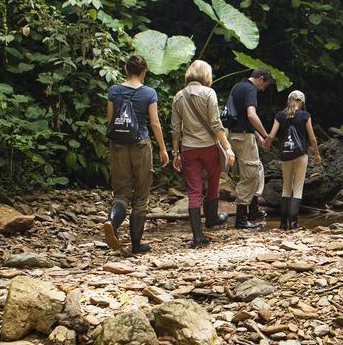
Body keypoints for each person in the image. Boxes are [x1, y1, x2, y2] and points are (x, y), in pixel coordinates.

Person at [103, 54, 168, 255]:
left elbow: (110, 120)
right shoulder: (149, 93)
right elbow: (155, 123)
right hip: (140, 144)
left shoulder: (114, 90)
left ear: (126, 70)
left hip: (119, 145)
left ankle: (112, 223)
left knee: (121, 192)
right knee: (141, 195)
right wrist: (163, 149)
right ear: (144, 72)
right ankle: (137, 244)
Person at [171, 60, 236, 248]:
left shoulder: (178, 96)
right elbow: (216, 124)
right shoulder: (209, 93)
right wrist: (227, 147)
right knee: (214, 182)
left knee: (194, 191)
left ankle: (198, 237)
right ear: (206, 75)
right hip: (209, 147)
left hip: (188, 149)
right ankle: (212, 219)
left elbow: (175, 129)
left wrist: (176, 153)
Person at [264, 90, 321, 230]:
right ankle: (294, 224)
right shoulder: (305, 115)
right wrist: (317, 154)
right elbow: (312, 138)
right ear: (301, 102)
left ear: (288, 100)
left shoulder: (279, 115)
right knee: (297, 189)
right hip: (300, 155)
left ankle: (283, 224)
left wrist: (266, 145)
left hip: (285, 155)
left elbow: (271, 135)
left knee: (286, 188)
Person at [225, 68, 273, 229]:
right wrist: (266, 134)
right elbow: (251, 115)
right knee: (250, 175)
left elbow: (242, 118)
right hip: (243, 137)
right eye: (264, 85)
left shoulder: (238, 86)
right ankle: (241, 219)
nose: (263, 88)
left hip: (237, 135)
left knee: (258, 169)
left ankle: (253, 209)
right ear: (260, 78)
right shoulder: (250, 89)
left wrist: (258, 138)